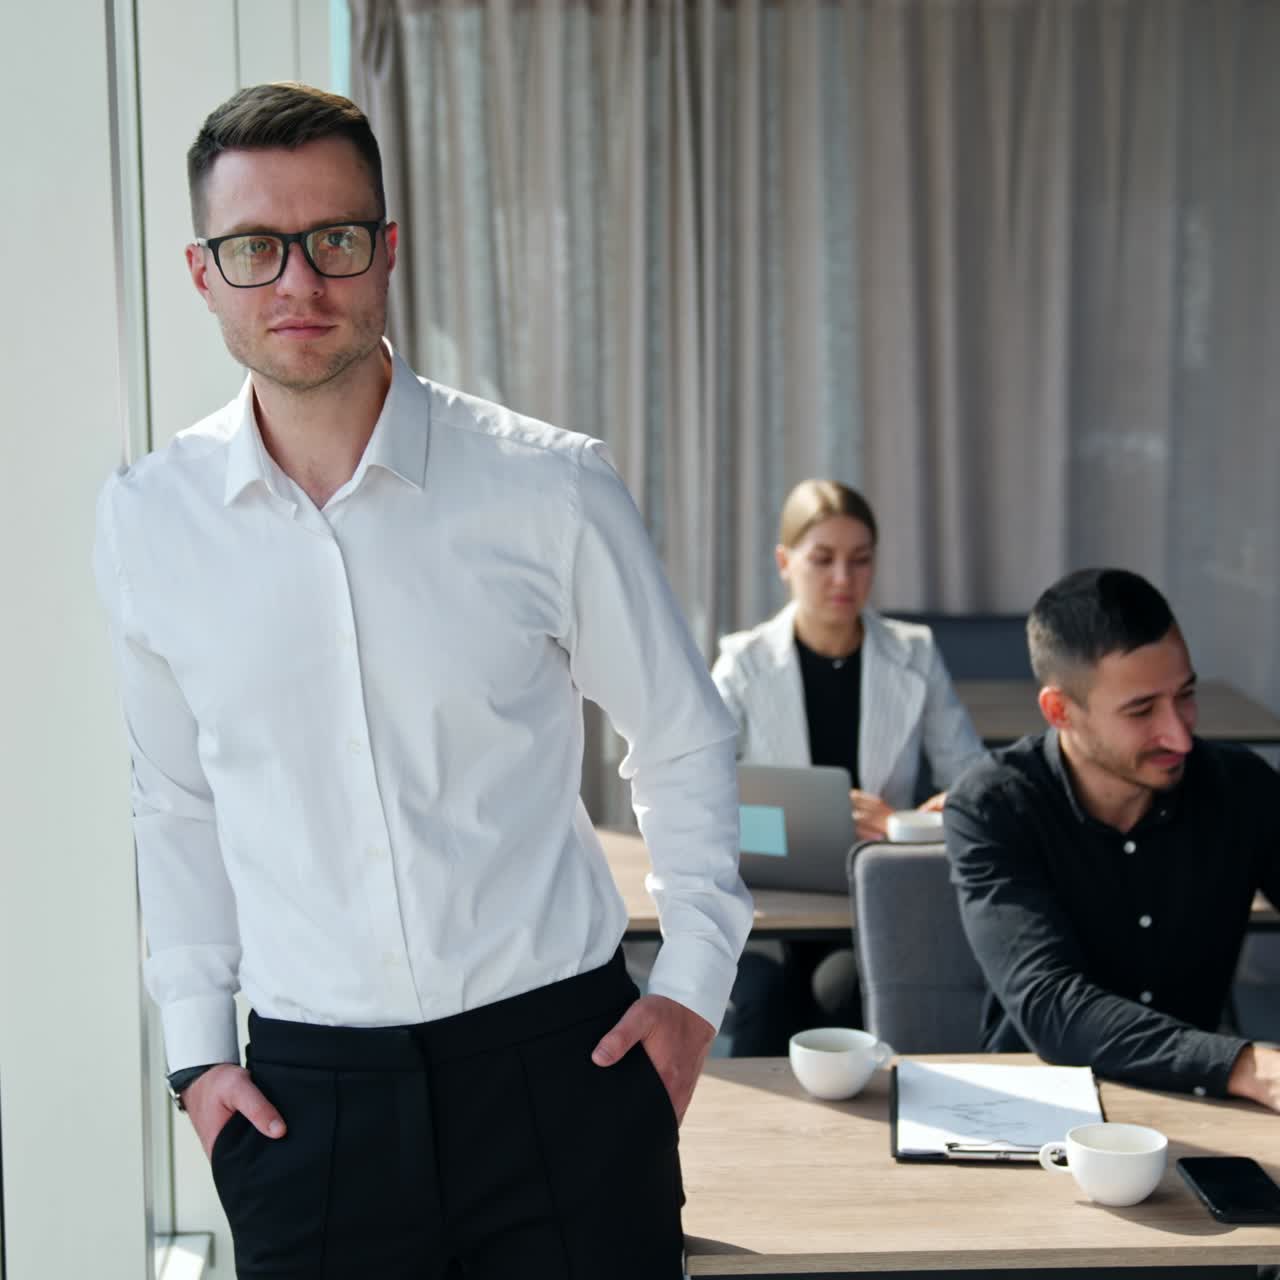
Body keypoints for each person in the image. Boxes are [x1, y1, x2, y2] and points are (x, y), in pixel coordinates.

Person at [94, 82, 752, 1279]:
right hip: (305, 1108)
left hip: (563, 1073)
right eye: (255, 248)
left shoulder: (549, 487)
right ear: (203, 273)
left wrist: (694, 989)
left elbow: (680, 734)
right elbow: (174, 803)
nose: (298, 281)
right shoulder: (148, 521)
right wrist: (197, 1057)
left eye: (333, 239)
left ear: (386, 251)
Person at [944, 567, 1280, 1107]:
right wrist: (1251, 1067)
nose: (1179, 734)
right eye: (1142, 710)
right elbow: (1053, 1006)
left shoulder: (1242, 788)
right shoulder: (991, 807)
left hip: (1202, 1101)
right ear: (1060, 711)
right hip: (1036, 1109)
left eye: (1186, 695)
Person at [712, 479, 983, 1054]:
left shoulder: (914, 651)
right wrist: (804, 825)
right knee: (768, 1007)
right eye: (823, 559)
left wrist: (902, 823)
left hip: (872, 899)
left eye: (860, 561)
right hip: (767, 902)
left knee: (843, 994)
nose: (843, 579)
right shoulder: (744, 662)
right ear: (785, 563)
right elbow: (700, 792)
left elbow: (976, 783)